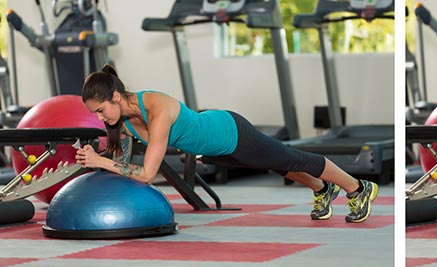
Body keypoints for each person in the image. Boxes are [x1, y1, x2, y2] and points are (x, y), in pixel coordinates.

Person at [75, 65, 378, 223]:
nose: (101, 119)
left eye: (100, 111)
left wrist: (101, 162)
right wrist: (96, 159)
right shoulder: (123, 122)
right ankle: (322, 188)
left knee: (288, 158)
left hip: (230, 132)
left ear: (115, 97)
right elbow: (120, 161)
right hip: (214, 150)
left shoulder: (157, 109)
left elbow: (144, 174)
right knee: (275, 164)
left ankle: (358, 188)